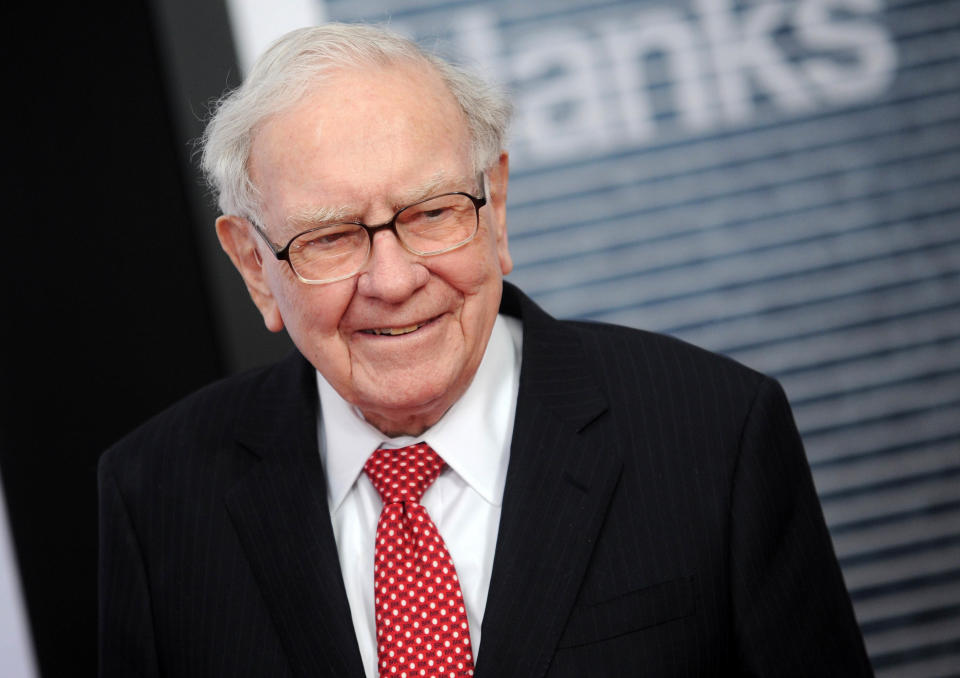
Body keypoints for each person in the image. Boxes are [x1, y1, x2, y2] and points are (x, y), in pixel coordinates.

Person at [98, 23, 873, 678]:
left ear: (495, 209)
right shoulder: (155, 494)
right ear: (253, 266)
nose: (394, 281)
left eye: (433, 213)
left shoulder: (715, 433)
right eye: (330, 237)